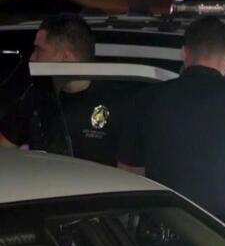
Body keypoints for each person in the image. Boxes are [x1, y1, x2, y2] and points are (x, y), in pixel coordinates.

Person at [118, 17, 225, 228]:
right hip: (224, 239)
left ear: (185, 53)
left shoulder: (146, 100)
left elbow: (129, 173)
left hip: (159, 234)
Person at [0, 14, 129, 166]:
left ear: (66, 58)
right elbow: (4, 148)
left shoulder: (119, 102)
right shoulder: (36, 97)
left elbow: (131, 173)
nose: (32, 58)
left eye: (39, 50)